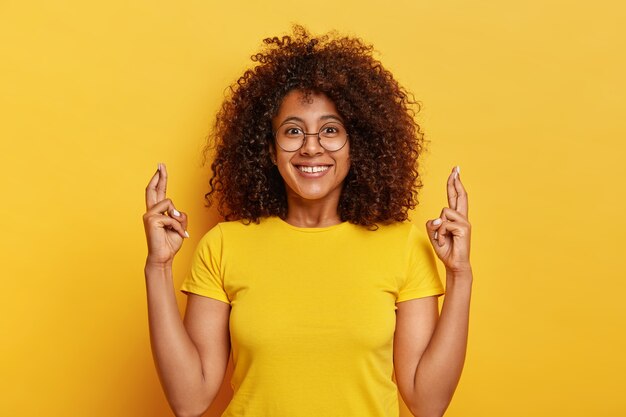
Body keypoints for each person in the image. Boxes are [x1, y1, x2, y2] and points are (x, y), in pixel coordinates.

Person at [142, 26, 472, 417]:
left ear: (356, 144)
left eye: (330, 130)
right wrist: (158, 267)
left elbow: (428, 402)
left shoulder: (403, 246)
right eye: (293, 131)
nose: (311, 146)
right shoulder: (223, 245)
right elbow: (189, 400)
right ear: (269, 148)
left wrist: (460, 275)